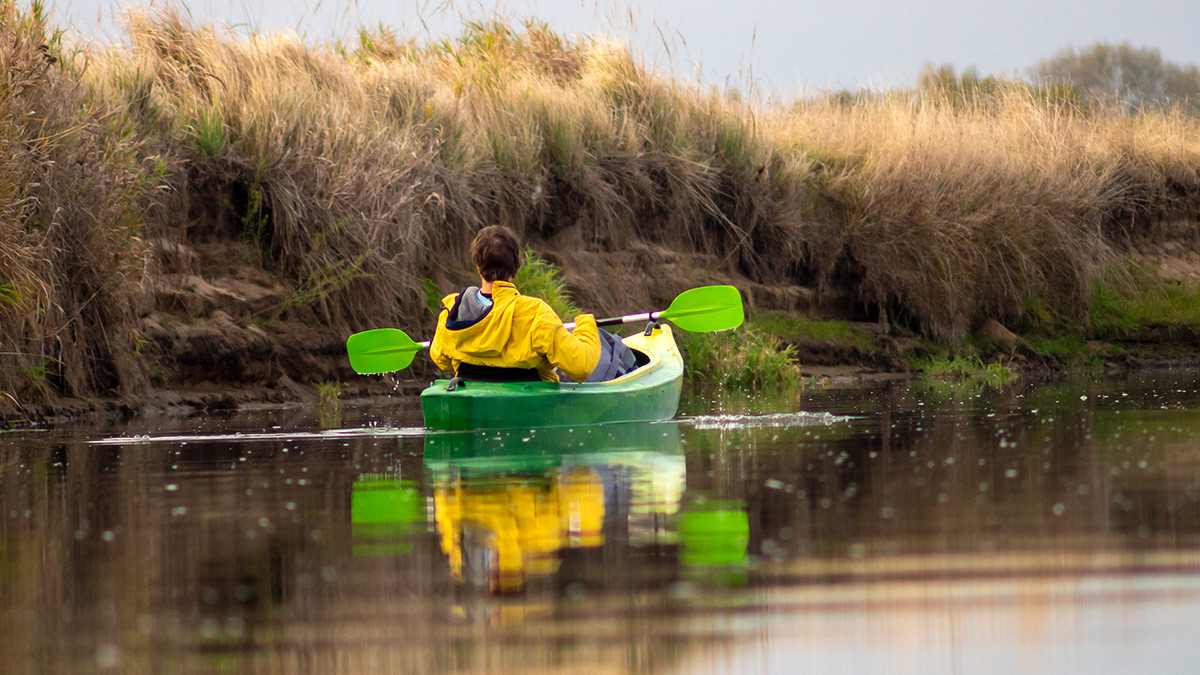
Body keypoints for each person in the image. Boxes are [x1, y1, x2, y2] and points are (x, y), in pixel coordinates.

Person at [430, 225, 635, 383]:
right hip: (532, 405)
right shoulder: (535, 313)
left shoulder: (453, 311)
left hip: (476, 397)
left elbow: (441, 360)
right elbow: (581, 367)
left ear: (477, 267)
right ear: (516, 266)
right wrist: (586, 326)